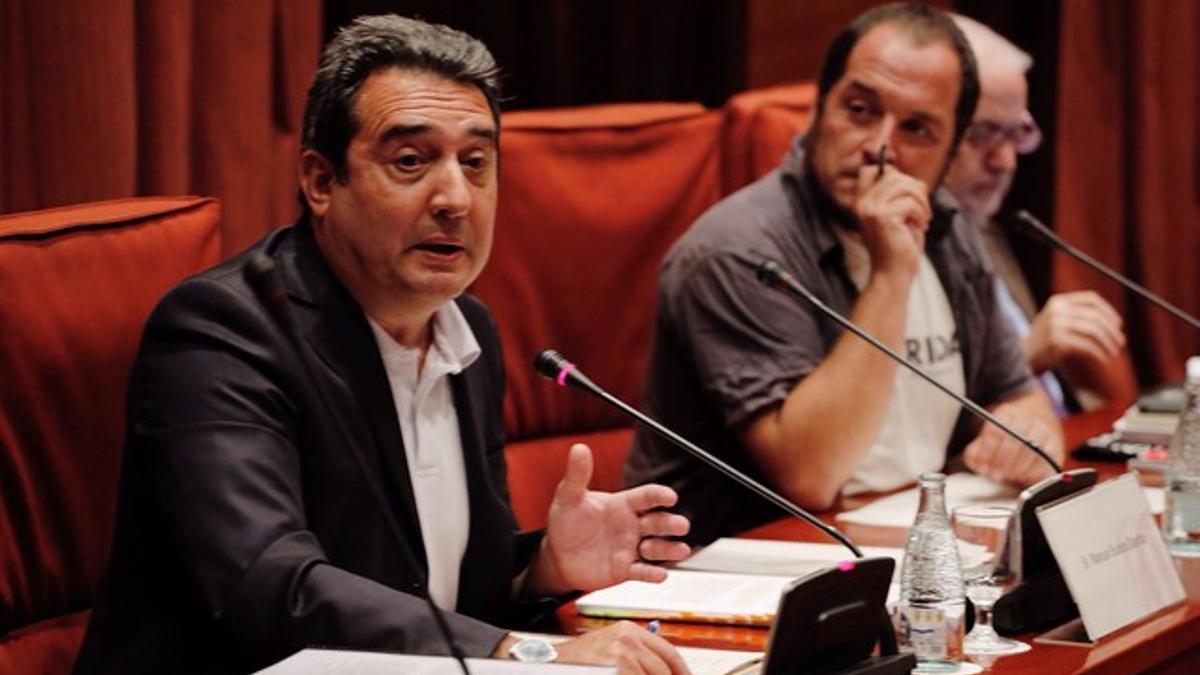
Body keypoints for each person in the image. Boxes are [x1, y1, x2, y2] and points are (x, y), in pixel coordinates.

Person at [73, 15, 691, 675]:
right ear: (320, 182)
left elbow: (438, 592)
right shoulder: (225, 331)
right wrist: (526, 652)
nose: (455, 197)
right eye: (410, 160)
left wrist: (540, 568)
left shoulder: (466, 332)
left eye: (476, 163)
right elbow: (268, 585)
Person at [624, 2, 1064, 546]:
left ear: (949, 153)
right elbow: (812, 475)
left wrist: (1026, 432)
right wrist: (892, 273)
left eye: (918, 129)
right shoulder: (737, 251)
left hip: (906, 545)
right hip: (739, 575)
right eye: (859, 109)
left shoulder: (947, 227)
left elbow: (1017, 395)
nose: (880, 147)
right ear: (819, 109)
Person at [943, 14, 1128, 414]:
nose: (1005, 161)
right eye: (981, 134)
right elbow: (919, 422)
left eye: (1015, 134)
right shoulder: (897, 251)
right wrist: (1028, 354)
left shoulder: (982, 222)